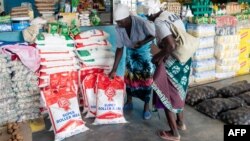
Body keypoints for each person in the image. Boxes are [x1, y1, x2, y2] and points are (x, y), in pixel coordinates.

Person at [142, 0, 192, 140]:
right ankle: (181, 122)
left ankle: (174, 133)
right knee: (179, 93)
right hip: (184, 59)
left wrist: (157, 57)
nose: (148, 19)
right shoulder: (170, 14)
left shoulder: (159, 21)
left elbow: (171, 45)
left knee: (167, 95)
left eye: (148, 17)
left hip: (172, 62)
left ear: (151, 14)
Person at [109, 4, 155, 120]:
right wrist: (114, 69)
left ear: (127, 17)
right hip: (131, 53)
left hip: (144, 53)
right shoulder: (119, 27)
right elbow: (120, 48)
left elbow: (153, 35)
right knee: (129, 78)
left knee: (146, 80)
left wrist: (143, 42)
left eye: (121, 22)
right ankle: (129, 102)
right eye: (117, 22)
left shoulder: (141, 22)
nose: (119, 24)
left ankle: (146, 107)